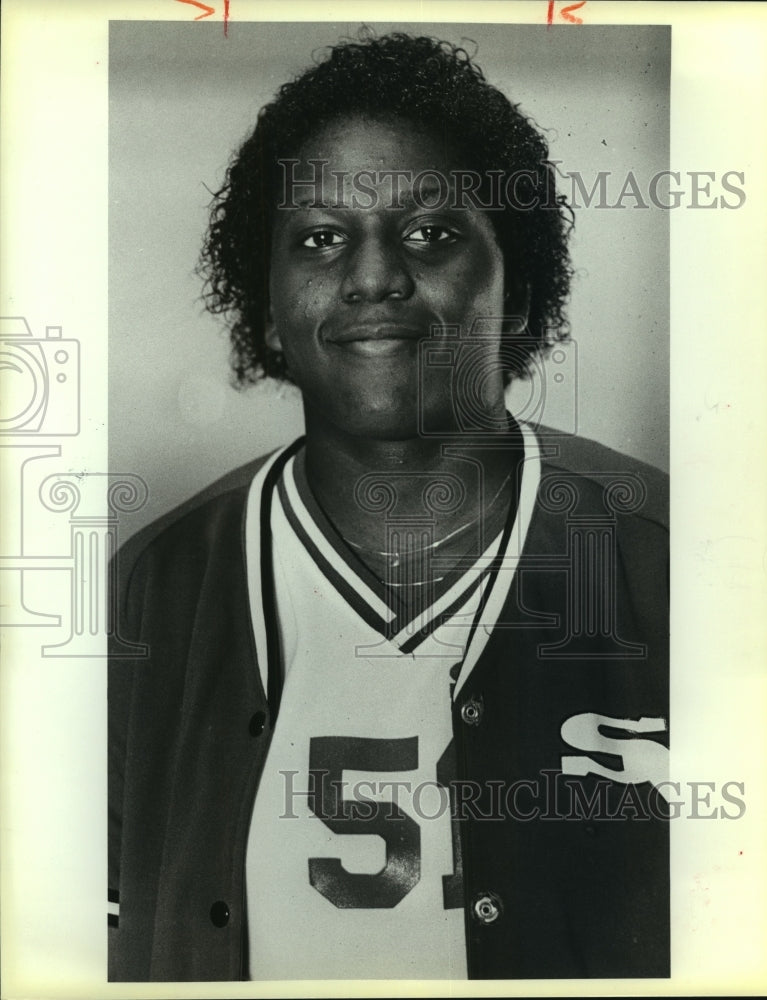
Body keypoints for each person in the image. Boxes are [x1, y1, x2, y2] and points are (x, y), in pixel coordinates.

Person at [108, 31, 669, 982]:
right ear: (267, 305)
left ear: (521, 287)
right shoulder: (155, 588)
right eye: (320, 239)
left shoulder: (676, 560)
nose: (373, 277)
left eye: (430, 233)